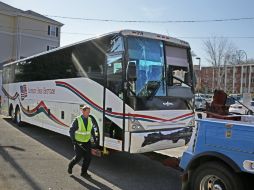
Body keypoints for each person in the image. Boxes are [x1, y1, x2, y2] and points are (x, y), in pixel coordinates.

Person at [68, 105, 96, 178]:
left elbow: (92, 130)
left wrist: (94, 139)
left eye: (89, 112)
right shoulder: (77, 120)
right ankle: (70, 166)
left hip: (87, 142)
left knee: (88, 158)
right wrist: (73, 140)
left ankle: (84, 173)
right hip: (78, 142)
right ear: (83, 111)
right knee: (78, 157)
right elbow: (71, 130)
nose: (88, 113)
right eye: (87, 112)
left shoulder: (90, 119)